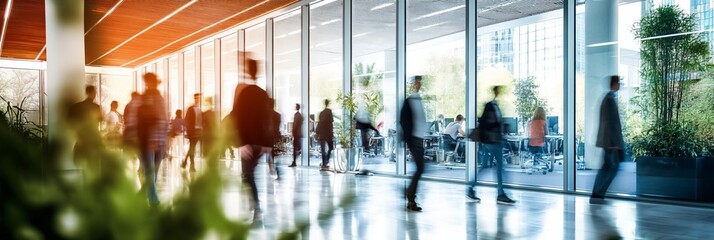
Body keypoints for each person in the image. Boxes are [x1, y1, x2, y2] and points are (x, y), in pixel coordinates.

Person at [230, 57, 273, 212]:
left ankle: (255, 206)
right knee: (248, 174)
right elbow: (268, 119)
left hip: (248, 143)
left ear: (247, 71)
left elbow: (238, 117)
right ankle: (252, 204)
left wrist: (242, 143)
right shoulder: (262, 93)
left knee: (248, 175)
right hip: (259, 144)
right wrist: (267, 144)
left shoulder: (244, 93)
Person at [466, 85, 516, 205]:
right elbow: (484, 122)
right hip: (492, 141)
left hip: (493, 141)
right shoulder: (490, 105)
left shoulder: (496, 105)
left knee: (485, 166)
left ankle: (471, 188)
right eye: (498, 90)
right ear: (495, 91)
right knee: (500, 167)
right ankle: (500, 194)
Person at [590, 76, 624, 204]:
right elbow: (610, 123)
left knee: (606, 167)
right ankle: (598, 194)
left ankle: (597, 195)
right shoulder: (609, 99)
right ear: (614, 84)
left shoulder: (609, 98)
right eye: (618, 83)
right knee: (612, 168)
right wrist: (614, 143)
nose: (620, 85)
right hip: (610, 142)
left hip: (608, 141)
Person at [136, 72, 168, 207]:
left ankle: (141, 195)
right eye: (148, 81)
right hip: (150, 140)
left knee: (153, 172)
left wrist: (165, 140)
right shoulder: (146, 97)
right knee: (150, 171)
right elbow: (148, 120)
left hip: (160, 139)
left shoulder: (159, 97)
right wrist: (153, 139)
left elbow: (163, 119)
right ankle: (154, 201)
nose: (150, 84)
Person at [400, 75, 427, 211]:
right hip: (414, 139)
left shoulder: (418, 100)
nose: (418, 84)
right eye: (416, 82)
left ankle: (409, 193)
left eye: (420, 82)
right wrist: (408, 138)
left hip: (419, 139)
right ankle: (410, 198)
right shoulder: (409, 101)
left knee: (421, 168)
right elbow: (403, 121)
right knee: (420, 168)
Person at [69, 85, 104, 171]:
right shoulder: (96, 107)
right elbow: (101, 120)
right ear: (93, 93)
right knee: (93, 164)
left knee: (82, 161)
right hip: (93, 138)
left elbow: (70, 121)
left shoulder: (76, 106)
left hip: (82, 137)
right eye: (95, 92)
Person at [182, 93, 202, 172]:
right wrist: (189, 131)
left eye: (199, 98)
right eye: (197, 98)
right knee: (192, 148)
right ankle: (191, 166)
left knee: (192, 148)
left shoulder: (199, 109)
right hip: (192, 132)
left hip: (198, 131)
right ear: (195, 99)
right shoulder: (191, 109)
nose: (198, 100)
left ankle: (185, 163)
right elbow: (187, 120)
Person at [316, 99, 334, 171]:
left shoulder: (321, 113)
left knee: (323, 149)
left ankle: (324, 163)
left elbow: (320, 122)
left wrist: (317, 132)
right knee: (331, 147)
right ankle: (326, 161)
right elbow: (331, 120)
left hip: (322, 133)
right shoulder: (329, 111)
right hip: (328, 132)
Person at [201, 96, 218, 163]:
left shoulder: (206, 114)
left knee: (207, 151)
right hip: (209, 135)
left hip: (208, 135)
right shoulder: (211, 113)